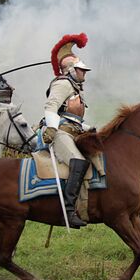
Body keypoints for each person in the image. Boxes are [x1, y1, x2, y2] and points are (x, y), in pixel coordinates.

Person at [41, 33, 93, 228]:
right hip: (61, 132)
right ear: (71, 70)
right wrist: (52, 129)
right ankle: (68, 211)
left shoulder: (75, 88)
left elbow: (75, 118)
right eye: (81, 70)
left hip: (74, 131)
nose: (84, 73)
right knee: (78, 162)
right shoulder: (63, 84)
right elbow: (51, 107)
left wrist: (91, 129)